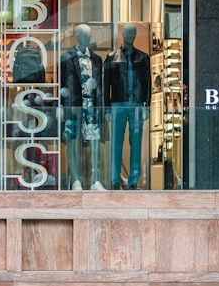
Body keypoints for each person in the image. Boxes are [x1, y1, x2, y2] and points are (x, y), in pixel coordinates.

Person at [104, 23, 151, 190]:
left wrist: (147, 105)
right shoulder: (112, 57)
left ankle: (133, 181)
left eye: (132, 33)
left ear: (135, 35)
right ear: (123, 34)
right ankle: (115, 180)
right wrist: (106, 107)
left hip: (137, 104)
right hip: (117, 104)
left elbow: (148, 82)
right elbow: (106, 84)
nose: (129, 36)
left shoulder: (143, 58)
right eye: (127, 33)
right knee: (116, 143)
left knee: (136, 144)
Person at [59, 24, 104, 191]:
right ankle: (75, 180)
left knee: (94, 143)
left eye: (89, 35)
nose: (87, 38)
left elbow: (101, 86)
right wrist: (62, 106)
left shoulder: (97, 59)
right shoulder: (66, 58)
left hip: (91, 107)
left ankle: (95, 180)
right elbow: (62, 85)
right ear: (77, 36)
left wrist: (101, 107)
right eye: (84, 35)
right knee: (71, 142)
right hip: (73, 106)